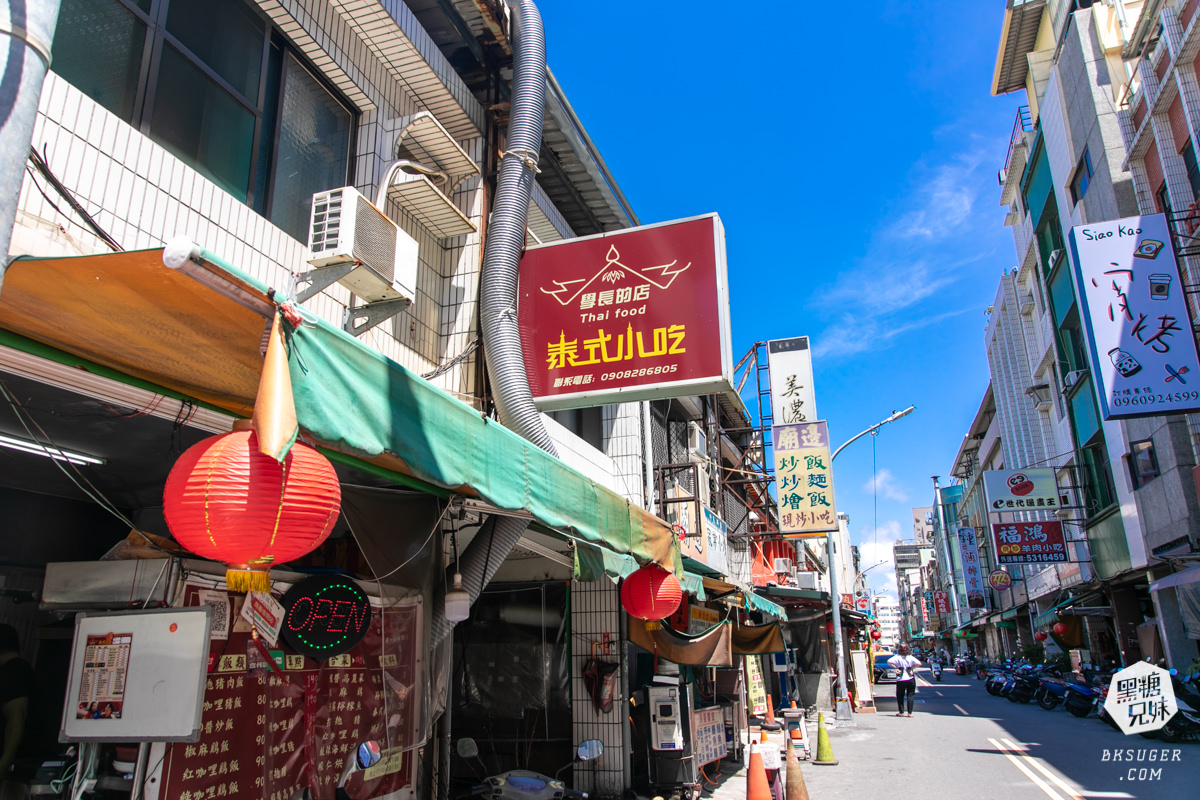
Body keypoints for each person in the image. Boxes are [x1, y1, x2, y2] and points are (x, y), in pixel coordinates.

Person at [0, 624, 34, 799]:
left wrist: (3, 764)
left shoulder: (14, 671)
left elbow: (16, 719)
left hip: (12, 773)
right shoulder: (21, 670)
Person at [888, 643, 921, 717]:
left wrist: (896, 668)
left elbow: (889, 661)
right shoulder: (910, 657)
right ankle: (910, 713)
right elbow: (919, 663)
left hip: (901, 679)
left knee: (900, 696)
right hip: (910, 678)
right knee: (910, 696)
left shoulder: (897, 657)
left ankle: (901, 712)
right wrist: (912, 668)